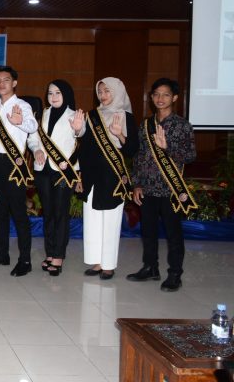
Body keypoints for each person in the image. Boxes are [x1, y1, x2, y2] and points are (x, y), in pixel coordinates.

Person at [126, 78, 196, 291]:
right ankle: (150, 267)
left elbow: (190, 156)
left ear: (174, 98)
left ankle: (175, 273)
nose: (160, 98)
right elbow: (139, 157)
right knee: (148, 231)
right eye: (156, 94)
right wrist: (137, 184)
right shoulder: (146, 124)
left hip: (170, 189)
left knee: (173, 233)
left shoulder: (182, 125)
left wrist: (167, 149)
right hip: (147, 188)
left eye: (165, 94)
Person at [72, 77, 138, 280]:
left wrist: (120, 135)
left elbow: (132, 149)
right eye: (100, 91)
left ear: (117, 92)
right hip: (91, 175)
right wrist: (77, 130)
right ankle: (97, 262)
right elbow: (85, 147)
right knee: (92, 219)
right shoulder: (92, 116)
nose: (103, 95)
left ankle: (108, 265)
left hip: (112, 176)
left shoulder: (126, 117)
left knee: (110, 220)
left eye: (107, 91)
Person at [0, 66, 38, 277]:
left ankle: (25, 260)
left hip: (14, 165)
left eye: (6, 79)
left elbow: (33, 126)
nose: (1, 83)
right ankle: (1, 254)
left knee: (19, 213)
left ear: (14, 83)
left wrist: (20, 122)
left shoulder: (23, 106)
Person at [30, 80, 82, 276]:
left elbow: (81, 136)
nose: (53, 96)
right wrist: (36, 150)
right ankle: (50, 253)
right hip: (42, 170)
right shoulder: (43, 114)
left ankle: (59, 256)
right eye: (50, 93)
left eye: (58, 93)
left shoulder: (75, 116)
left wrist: (78, 129)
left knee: (61, 214)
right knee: (49, 214)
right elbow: (33, 138)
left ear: (66, 94)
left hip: (63, 171)